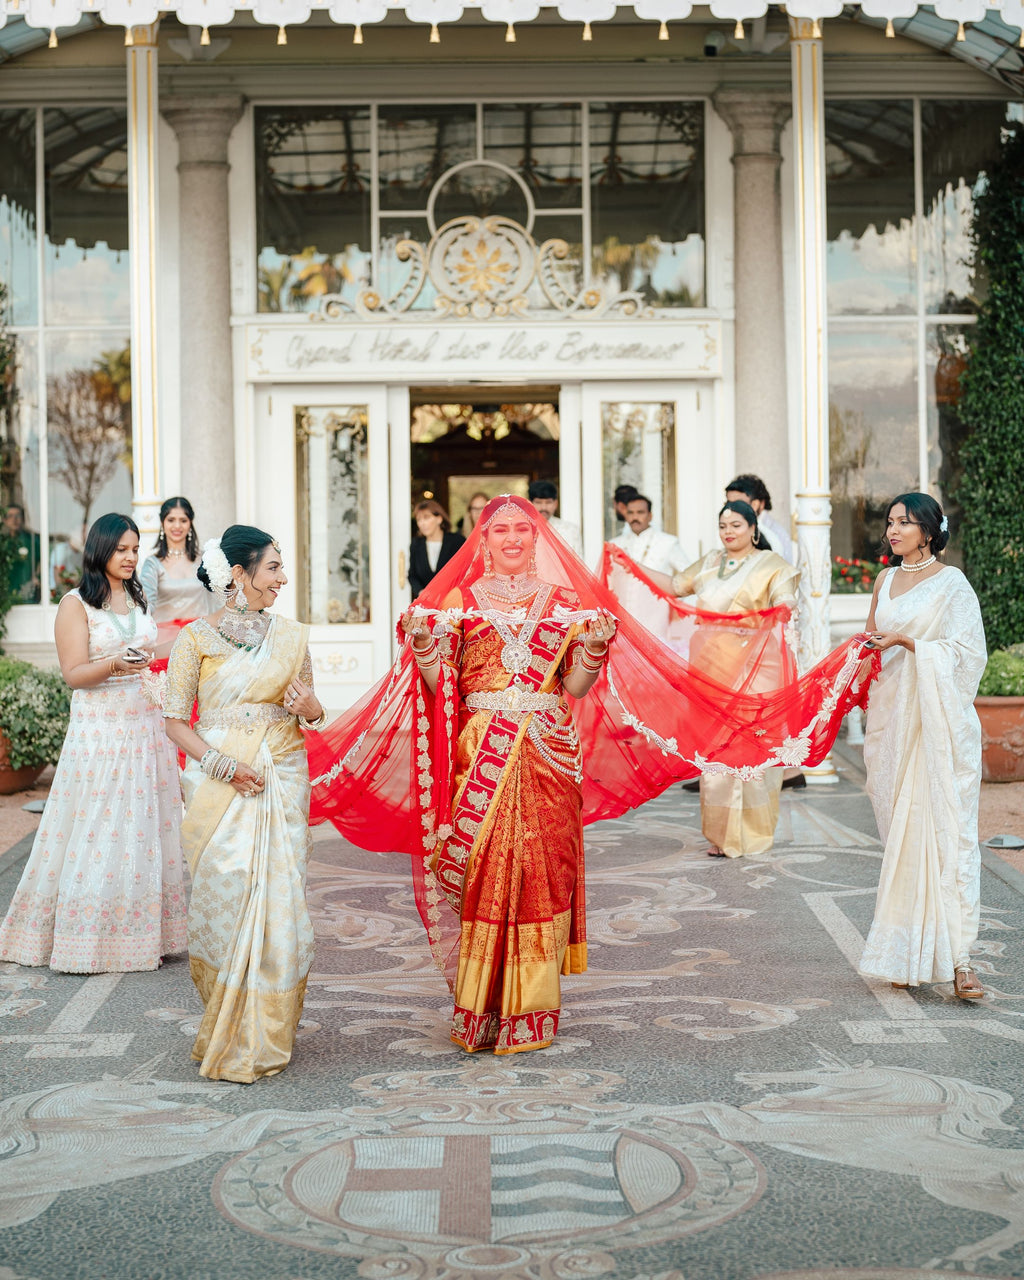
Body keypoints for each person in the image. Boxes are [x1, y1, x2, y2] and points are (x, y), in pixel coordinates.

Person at [400, 496, 615, 1053]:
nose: (513, 538)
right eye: (502, 530)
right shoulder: (458, 600)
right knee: (485, 869)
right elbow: (437, 683)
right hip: (483, 753)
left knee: (543, 869)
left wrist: (592, 647)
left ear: (538, 537)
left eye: (524, 528)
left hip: (548, 753)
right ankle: (482, 1004)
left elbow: (573, 688)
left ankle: (532, 1008)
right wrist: (423, 643)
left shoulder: (565, 603)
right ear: (483, 539)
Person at [163, 525, 326, 1082]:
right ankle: (228, 1019)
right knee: (227, 890)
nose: (282, 578)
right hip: (221, 785)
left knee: (280, 901)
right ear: (239, 574)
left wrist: (311, 707)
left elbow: (310, 710)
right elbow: (175, 723)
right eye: (274, 568)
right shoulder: (196, 640)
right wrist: (225, 767)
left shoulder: (291, 637)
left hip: (281, 774)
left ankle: (266, 1027)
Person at [0, 513, 186, 973]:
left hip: (144, 726)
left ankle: (142, 933)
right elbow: (73, 674)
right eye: (121, 549)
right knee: (100, 824)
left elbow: (149, 648)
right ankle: (87, 936)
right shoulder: (75, 604)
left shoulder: (136, 596)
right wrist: (115, 666)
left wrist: (192, 640)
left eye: (135, 548)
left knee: (144, 824)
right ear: (100, 550)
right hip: (101, 733)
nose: (130, 557)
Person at [859, 493, 986, 1000]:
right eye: (890, 522)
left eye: (905, 523)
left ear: (929, 531)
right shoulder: (884, 580)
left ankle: (960, 961)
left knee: (944, 834)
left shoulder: (952, 585)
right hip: (890, 721)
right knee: (900, 837)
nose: (893, 531)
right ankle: (905, 953)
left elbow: (967, 653)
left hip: (935, 726)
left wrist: (910, 643)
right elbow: (870, 640)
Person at [654, 500, 800, 858]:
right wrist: (628, 566)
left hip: (755, 667)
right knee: (716, 749)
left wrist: (781, 606)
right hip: (711, 665)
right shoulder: (709, 564)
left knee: (753, 747)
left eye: (736, 525)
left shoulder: (771, 564)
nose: (729, 532)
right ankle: (720, 835)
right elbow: (674, 586)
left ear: (753, 528)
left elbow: (785, 599)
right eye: (723, 526)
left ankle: (753, 833)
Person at [139, 496, 219, 659]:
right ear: (163, 523)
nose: (177, 526)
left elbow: (218, 599)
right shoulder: (153, 564)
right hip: (165, 643)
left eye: (183, 520)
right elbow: (147, 605)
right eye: (171, 520)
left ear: (190, 523)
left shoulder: (205, 560)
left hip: (201, 638)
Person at [610, 494, 691, 640]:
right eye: (630, 513)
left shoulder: (667, 542)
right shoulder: (615, 544)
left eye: (640, 512)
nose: (635, 517)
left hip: (655, 620)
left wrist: (676, 606)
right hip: (621, 621)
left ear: (650, 515)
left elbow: (688, 577)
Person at [725, 474, 796, 566]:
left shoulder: (774, 536)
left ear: (756, 505)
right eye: (728, 503)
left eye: (738, 504)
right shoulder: (728, 529)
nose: (730, 509)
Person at [408, 499, 465, 599]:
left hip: (453, 604)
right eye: (419, 519)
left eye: (426, 518)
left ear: (439, 519)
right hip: (426, 604)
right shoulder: (416, 545)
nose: (422, 523)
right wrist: (421, 592)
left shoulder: (457, 542)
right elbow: (412, 575)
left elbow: (464, 572)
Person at [528, 479, 583, 556]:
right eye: (538, 502)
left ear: (555, 504)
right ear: (530, 503)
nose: (543, 507)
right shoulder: (522, 529)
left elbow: (578, 563)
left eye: (548, 502)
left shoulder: (570, 530)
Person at [4, 503, 41, 603]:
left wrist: (37, 577)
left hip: (27, 594)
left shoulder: (31, 540)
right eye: (10, 516)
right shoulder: (3, 542)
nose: (14, 519)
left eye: (18, 515)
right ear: (4, 520)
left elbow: (42, 560)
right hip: (6, 595)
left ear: (23, 519)